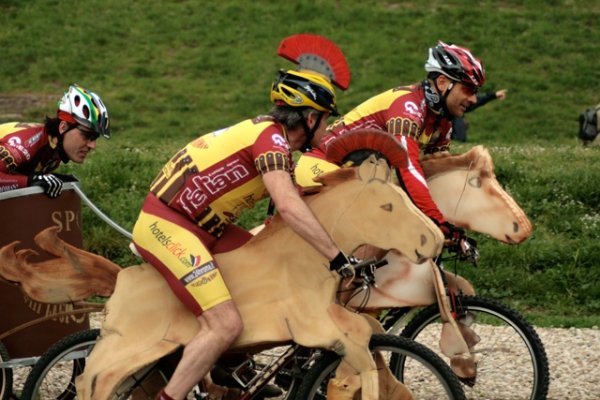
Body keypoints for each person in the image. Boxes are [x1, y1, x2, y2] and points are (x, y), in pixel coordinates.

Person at [130, 68, 356, 400]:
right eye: (325, 120)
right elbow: (290, 207)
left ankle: (229, 365)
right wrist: (337, 257)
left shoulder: (273, 138)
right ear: (309, 119)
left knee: (269, 270)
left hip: (204, 226)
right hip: (167, 224)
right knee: (225, 324)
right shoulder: (270, 140)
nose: (327, 127)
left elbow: (300, 202)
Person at [296, 41, 486, 243]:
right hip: (322, 166)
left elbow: (434, 177)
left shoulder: (443, 123)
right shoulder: (407, 107)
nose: (474, 99)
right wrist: (436, 220)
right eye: (468, 89)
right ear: (442, 83)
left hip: (356, 180)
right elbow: (408, 167)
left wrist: (452, 222)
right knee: (381, 230)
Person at [0, 84, 110, 197]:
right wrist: (28, 181)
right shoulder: (25, 145)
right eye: (87, 135)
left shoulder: (54, 149)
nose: (93, 145)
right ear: (63, 127)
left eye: (95, 138)